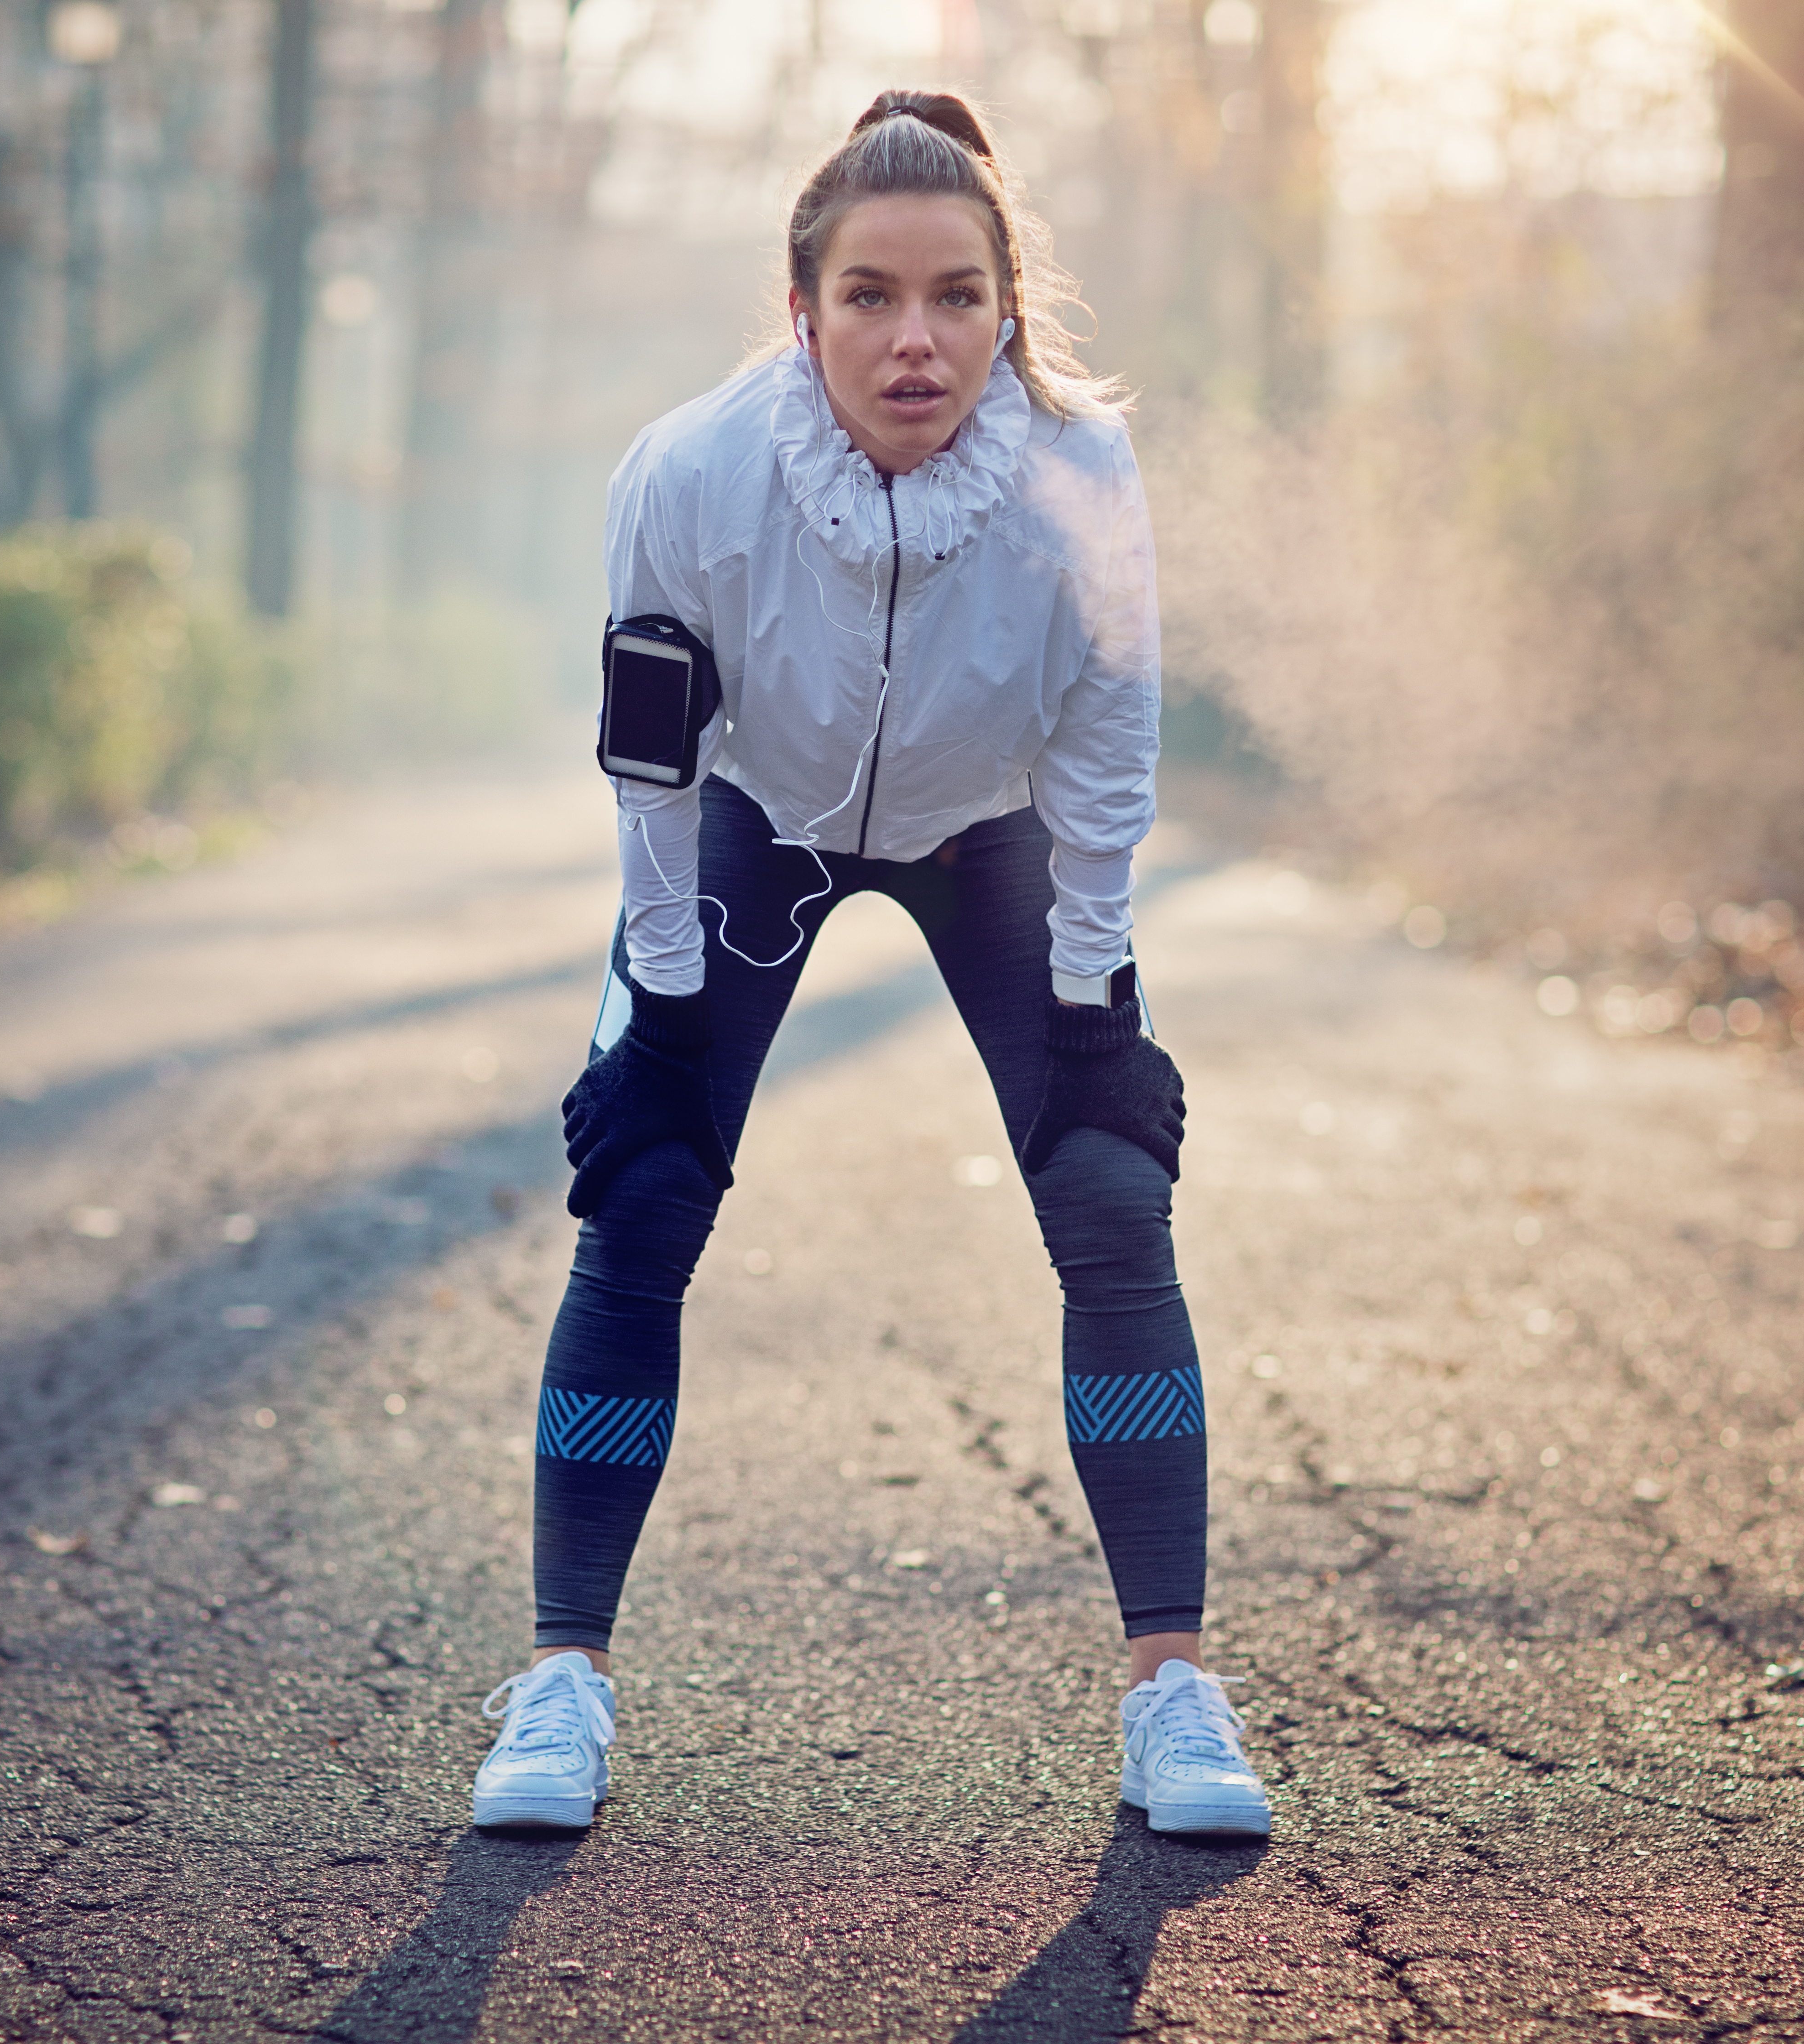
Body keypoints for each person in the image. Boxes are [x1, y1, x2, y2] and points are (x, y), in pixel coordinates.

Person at [470, 89, 1268, 1840]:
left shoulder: (1082, 470)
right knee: (648, 1183)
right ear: (802, 308)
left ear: (1008, 305)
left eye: (958, 297)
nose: (917, 340)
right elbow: (652, 764)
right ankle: (561, 1680)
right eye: (871, 297)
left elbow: (1113, 739)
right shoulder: (688, 476)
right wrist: (665, 1006)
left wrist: (1092, 993)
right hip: (757, 817)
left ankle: (1173, 1691)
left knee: (1113, 1189)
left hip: (998, 828)